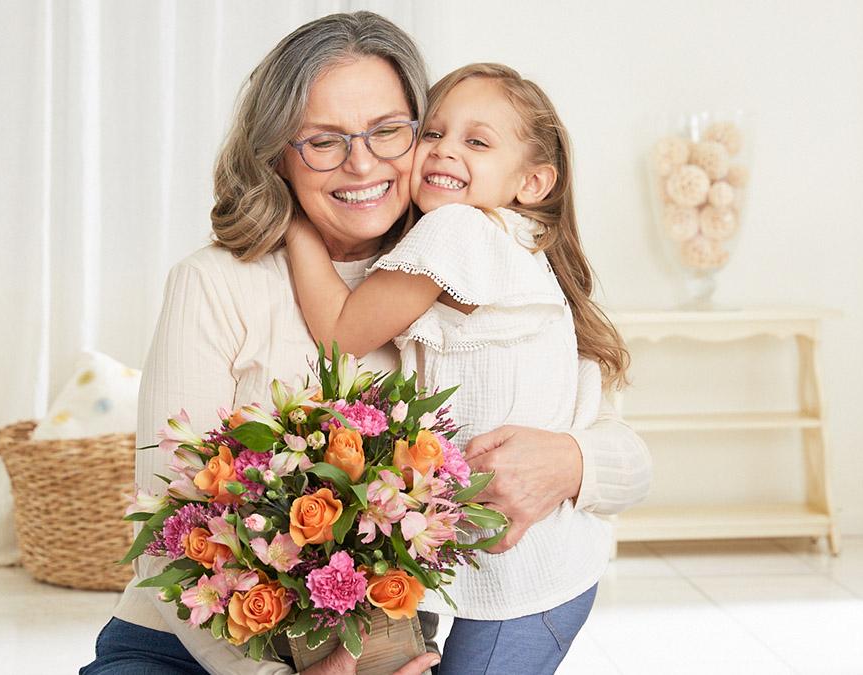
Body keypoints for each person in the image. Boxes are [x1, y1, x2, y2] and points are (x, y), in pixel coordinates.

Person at [81, 12, 651, 675]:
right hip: (193, 651)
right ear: (277, 154)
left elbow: (632, 457)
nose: (362, 162)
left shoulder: (462, 268)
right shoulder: (214, 283)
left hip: (384, 651)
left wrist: (572, 460)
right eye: (324, 141)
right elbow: (170, 534)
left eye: (389, 131)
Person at [285, 61, 625, 673]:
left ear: (533, 181)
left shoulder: (460, 230)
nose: (443, 151)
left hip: (518, 583)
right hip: (539, 566)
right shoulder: (513, 240)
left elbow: (341, 334)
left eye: (477, 141)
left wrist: (296, 224)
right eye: (434, 133)